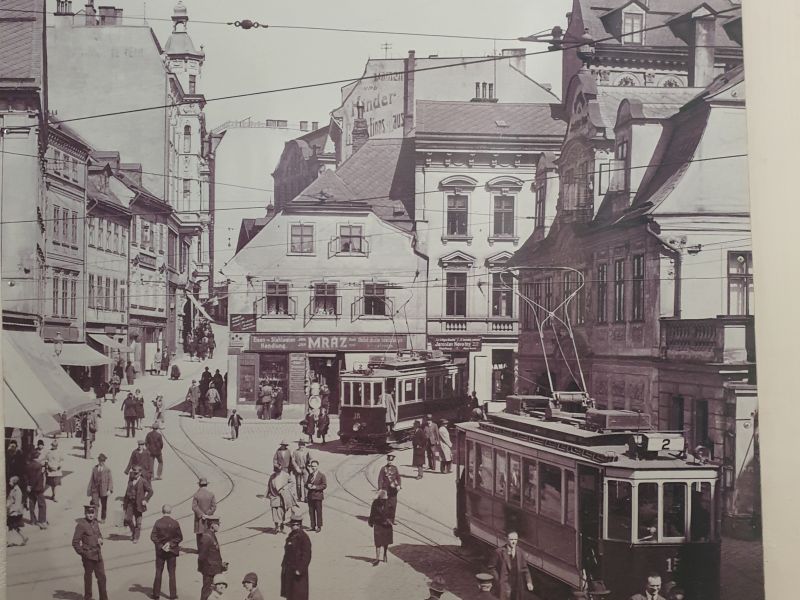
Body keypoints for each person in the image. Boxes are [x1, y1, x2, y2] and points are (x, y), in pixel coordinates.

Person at [72, 503, 108, 600]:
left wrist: (100, 539)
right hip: (88, 556)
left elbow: (99, 534)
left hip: (98, 555)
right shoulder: (81, 525)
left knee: (102, 578)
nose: (90, 515)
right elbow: (75, 542)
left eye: (92, 513)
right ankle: (88, 597)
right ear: (85, 513)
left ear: (94, 513)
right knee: (88, 578)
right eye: (88, 513)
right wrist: (83, 553)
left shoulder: (95, 522)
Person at [488, 531, 534, 600]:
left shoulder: (520, 552)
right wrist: (498, 580)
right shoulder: (499, 552)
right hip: (504, 585)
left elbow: (525, 568)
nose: (514, 542)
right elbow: (491, 567)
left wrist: (529, 582)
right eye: (511, 539)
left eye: (515, 539)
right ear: (506, 539)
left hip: (517, 585)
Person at [151, 504, 183, 600]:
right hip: (172, 551)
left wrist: (161, 546)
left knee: (158, 572)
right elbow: (179, 537)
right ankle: (173, 595)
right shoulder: (175, 523)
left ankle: (156, 594)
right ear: (170, 511)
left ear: (162, 511)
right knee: (172, 573)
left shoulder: (158, 522)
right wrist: (170, 544)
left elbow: (153, 536)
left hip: (160, 552)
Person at [281, 511, 311, 600]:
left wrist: (300, 569)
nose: (291, 527)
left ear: (299, 525)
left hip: (298, 573)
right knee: (290, 594)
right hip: (289, 570)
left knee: (298, 595)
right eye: (291, 525)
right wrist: (284, 566)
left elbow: (307, 556)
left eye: (293, 525)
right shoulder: (291, 536)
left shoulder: (304, 537)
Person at [198, 515, 226, 600]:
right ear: (212, 525)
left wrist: (221, 564)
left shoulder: (211, 534)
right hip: (209, 570)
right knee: (207, 591)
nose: (219, 526)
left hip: (213, 569)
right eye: (218, 524)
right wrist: (203, 569)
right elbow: (202, 556)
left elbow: (213, 553)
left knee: (212, 591)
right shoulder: (207, 537)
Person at [123, 465, 153, 543]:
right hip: (130, 503)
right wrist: (124, 503)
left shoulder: (143, 481)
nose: (134, 474)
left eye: (136, 473)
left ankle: (136, 537)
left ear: (140, 473)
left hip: (139, 504)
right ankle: (134, 532)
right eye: (133, 473)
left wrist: (145, 499)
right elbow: (127, 492)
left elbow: (151, 491)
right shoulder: (130, 480)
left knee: (138, 522)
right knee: (127, 519)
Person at [368, 489, 393, 565]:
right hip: (378, 523)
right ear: (379, 498)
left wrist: (389, 520)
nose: (383, 501)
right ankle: (377, 558)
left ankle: (385, 554)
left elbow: (392, 513)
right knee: (378, 541)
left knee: (386, 541)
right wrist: (370, 521)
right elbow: (372, 513)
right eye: (382, 499)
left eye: (385, 499)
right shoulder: (375, 503)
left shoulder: (388, 503)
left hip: (386, 525)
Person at [267, 466, 296, 534]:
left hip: (283, 496)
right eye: (276, 472)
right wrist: (268, 495)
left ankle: (282, 526)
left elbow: (291, 482)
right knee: (274, 512)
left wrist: (285, 488)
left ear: (281, 470)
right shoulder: (272, 476)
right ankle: (276, 527)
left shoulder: (286, 475)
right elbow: (269, 486)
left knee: (282, 512)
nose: (277, 473)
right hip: (274, 496)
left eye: (278, 472)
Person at [87, 453, 113, 523]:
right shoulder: (95, 468)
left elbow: (110, 480)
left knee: (104, 505)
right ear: (98, 460)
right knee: (95, 504)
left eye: (103, 461)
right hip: (95, 489)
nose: (102, 462)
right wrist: (89, 490)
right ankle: (94, 518)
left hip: (104, 490)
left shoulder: (107, 469)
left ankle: (103, 518)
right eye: (100, 461)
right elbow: (91, 479)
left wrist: (109, 490)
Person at [193, 477, 217, 547]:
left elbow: (194, 507)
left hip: (199, 519)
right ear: (207, 484)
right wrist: (207, 514)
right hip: (209, 519)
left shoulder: (196, 495)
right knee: (209, 533)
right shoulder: (211, 494)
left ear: (199, 485)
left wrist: (201, 515)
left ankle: (200, 549)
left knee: (199, 534)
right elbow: (214, 507)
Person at [25, 449, 47, 529]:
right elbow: (37, 478)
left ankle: (33, 520)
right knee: (42, 504)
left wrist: (28, 485)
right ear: (37, 457)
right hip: (38, 488)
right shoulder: (38, 466)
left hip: (30, 488)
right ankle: (42, 521)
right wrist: (32, 486)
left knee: (32, 503)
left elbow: (26, 477)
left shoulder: (28, 465)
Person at [377, 454, 401, 523]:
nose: (390, 462)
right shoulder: (383, 468)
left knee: (393, 505)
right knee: (386, 505)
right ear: (387, 460)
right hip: (385, 489)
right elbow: (380, 479)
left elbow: (398, 478)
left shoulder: (395, 468)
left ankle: (392, 520)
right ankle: (385, 520)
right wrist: (380, 488)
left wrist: (399, 485)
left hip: (393, 490)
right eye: (389, 460)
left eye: (391, 461)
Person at [305, 460, 326, 532]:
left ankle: (319, 526)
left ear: (317, 466)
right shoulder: (310, 475)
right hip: (310, 496)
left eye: (315, 466)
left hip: (318, 496)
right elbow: (306, 484)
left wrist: (315, 487)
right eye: (312, 466)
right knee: (311, 512)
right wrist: (307, 485)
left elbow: (324, 485)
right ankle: (312, 526)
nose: (313, 467)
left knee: (318, 512)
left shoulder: (322, 475)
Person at [7, 476, 28, 546]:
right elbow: (10, 500)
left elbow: (17, 503)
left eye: (10, 481)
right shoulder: (13, 489)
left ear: (14, 482)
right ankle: (22, 538)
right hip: (12, 511)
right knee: (11, 526)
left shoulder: (17, 491)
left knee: (12, 526)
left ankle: (23, 537)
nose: (9, 483)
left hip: (15, 512)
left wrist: (12, 511)